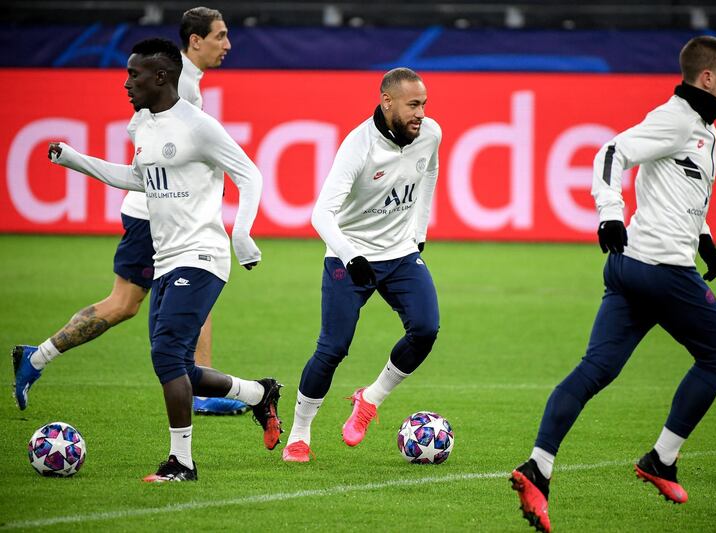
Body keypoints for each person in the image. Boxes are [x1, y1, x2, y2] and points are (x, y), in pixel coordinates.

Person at [510, 35, 716, 532]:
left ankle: (538, 467)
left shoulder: (702, 128)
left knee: (596, 368)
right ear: (707, 77)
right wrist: (610, 212)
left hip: (632, 267)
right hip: (660, 269)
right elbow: (613, 151)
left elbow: (680, 191)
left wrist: (704, 236)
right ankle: (661, 458)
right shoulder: (677, 119)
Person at [46, 38, 282, 481]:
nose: (126, 82)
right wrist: (75, 161)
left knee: (167, 358)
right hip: (166, 256)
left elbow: (249, 173)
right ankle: (258, 394)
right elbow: (139, 179)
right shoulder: (142, 126)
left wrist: (243, 233)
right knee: (180, 365)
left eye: (134, 74)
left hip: (204, 255)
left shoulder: (199, 126)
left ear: (161, 76)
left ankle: (182, 463)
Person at [12, 6, 247, 416]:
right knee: (138, 300)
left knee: (141, 301)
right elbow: (146, 151)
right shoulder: (180, 88)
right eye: (220, 36)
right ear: (195, 41)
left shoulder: (183, 82)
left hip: (156, 211)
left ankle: (38, 356)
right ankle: (199, 387)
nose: (227, 44)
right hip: (153, 215)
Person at [281, 68, 441, 462]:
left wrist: (419, 230)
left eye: (424, 104)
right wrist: (350, 256)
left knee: (426, 329)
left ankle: (369, 400)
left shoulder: (430, 134)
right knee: (333, 348)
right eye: (413, 105)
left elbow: (430, 172)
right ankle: (299, 435)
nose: (421, 113)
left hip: (400, 252)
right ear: (388, 102)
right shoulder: (358, 145)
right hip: (349, 255)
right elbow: (321, 213)